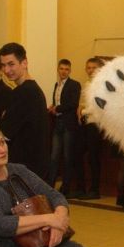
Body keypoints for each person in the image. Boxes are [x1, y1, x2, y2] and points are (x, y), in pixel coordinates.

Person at [0, 42, 50, 179]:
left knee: (24, 202)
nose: (6, 70)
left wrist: (2, 121)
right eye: (3, 65)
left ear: (24, 63)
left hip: (25, 168)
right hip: (33, 166)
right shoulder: (33, 89)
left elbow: (4, 132)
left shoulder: (24, 92)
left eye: (11, 64)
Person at [47, 59, 82, 197]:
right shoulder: (57, 84)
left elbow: (73, 103)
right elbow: (59, 102)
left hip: (68, 124)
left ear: (70, 71)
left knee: (67, 157)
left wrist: (58, 108)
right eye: (61, 68)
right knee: (54, 156)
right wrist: (53, 107)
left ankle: (65, 188)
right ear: (58, 69)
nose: (63, 71)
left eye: (66, 69)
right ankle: (49, 187)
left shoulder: (75, 84)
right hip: (57, 123)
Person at [76, 57, 105, 200]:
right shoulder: (87, 84)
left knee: (94, 157)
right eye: (88, 67)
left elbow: (98, 107)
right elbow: (82, 103)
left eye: (94, 67)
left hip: (96, 124)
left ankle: (95, 189)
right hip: (85, 123)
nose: (91, 70)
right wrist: (80, 111)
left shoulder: (103, 85)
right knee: (78, 154)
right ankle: (81, 188)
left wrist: (83, 111)